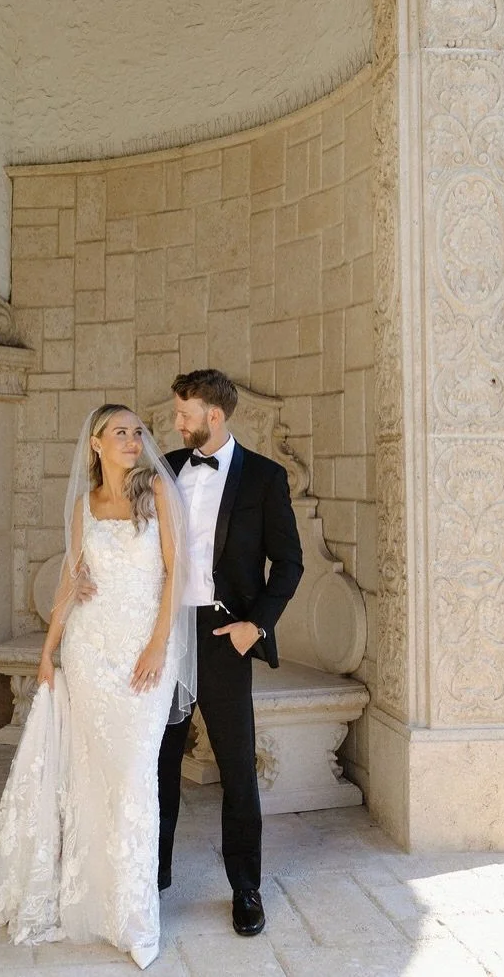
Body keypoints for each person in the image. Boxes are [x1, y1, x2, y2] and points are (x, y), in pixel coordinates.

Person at [0, 405, 195, 971]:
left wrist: (156, 645)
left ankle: (135, 917)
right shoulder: (83, 507)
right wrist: (48, 652)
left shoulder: (160, 497)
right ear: (96, 444)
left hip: (144, 653)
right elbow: (70, 583)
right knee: (90, 778)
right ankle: (94, 904)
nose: (133, 439)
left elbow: (177, 574)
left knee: (132, 777)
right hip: (88, 650)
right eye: (120, 432)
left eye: (137, 431)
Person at [157, 369, 303, 938]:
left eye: (184, 414)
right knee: (159, 763)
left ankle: (246, 888)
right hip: (167, 635)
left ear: (213, 417)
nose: (176, 423)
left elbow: (289, 563)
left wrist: (256, 627)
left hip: (224, 637)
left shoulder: (265, 478)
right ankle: (154, 875)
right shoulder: (165, 467)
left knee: (237, 766)